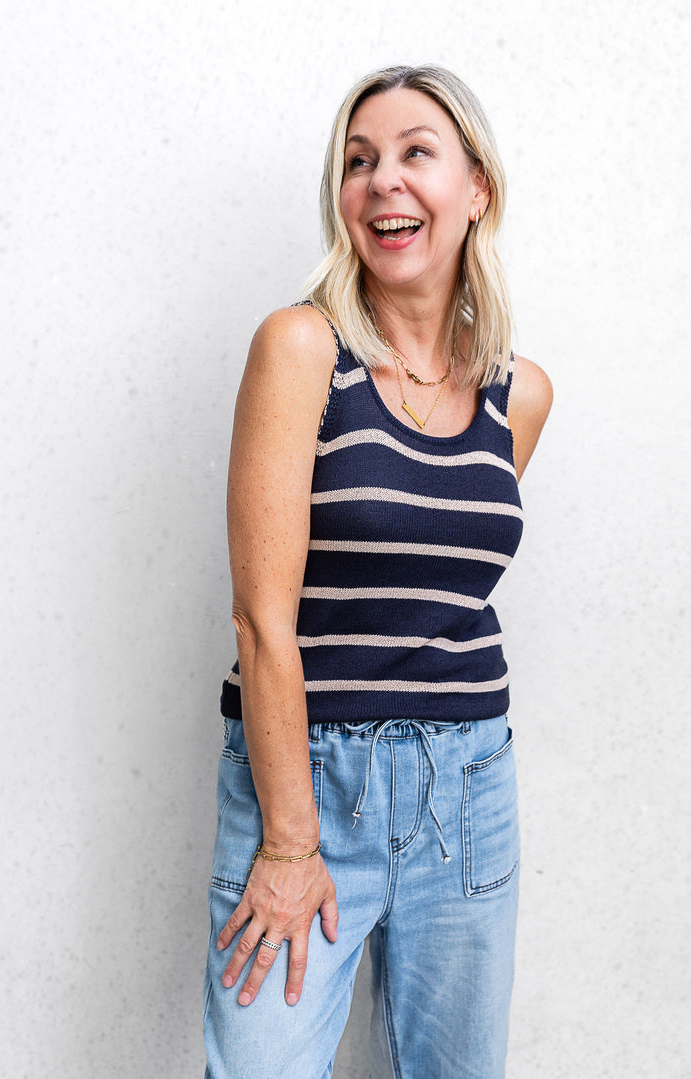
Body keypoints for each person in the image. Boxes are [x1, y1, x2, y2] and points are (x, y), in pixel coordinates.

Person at [202, 64, 553, 1079]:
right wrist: (290, 841)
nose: (382, 180)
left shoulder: (519, 393)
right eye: (358, 161)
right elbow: (261, 619)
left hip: (470, 785)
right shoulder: (301, 348)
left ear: (476, 188)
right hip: (307, 782)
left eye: (415, 153)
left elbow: (436, 584)